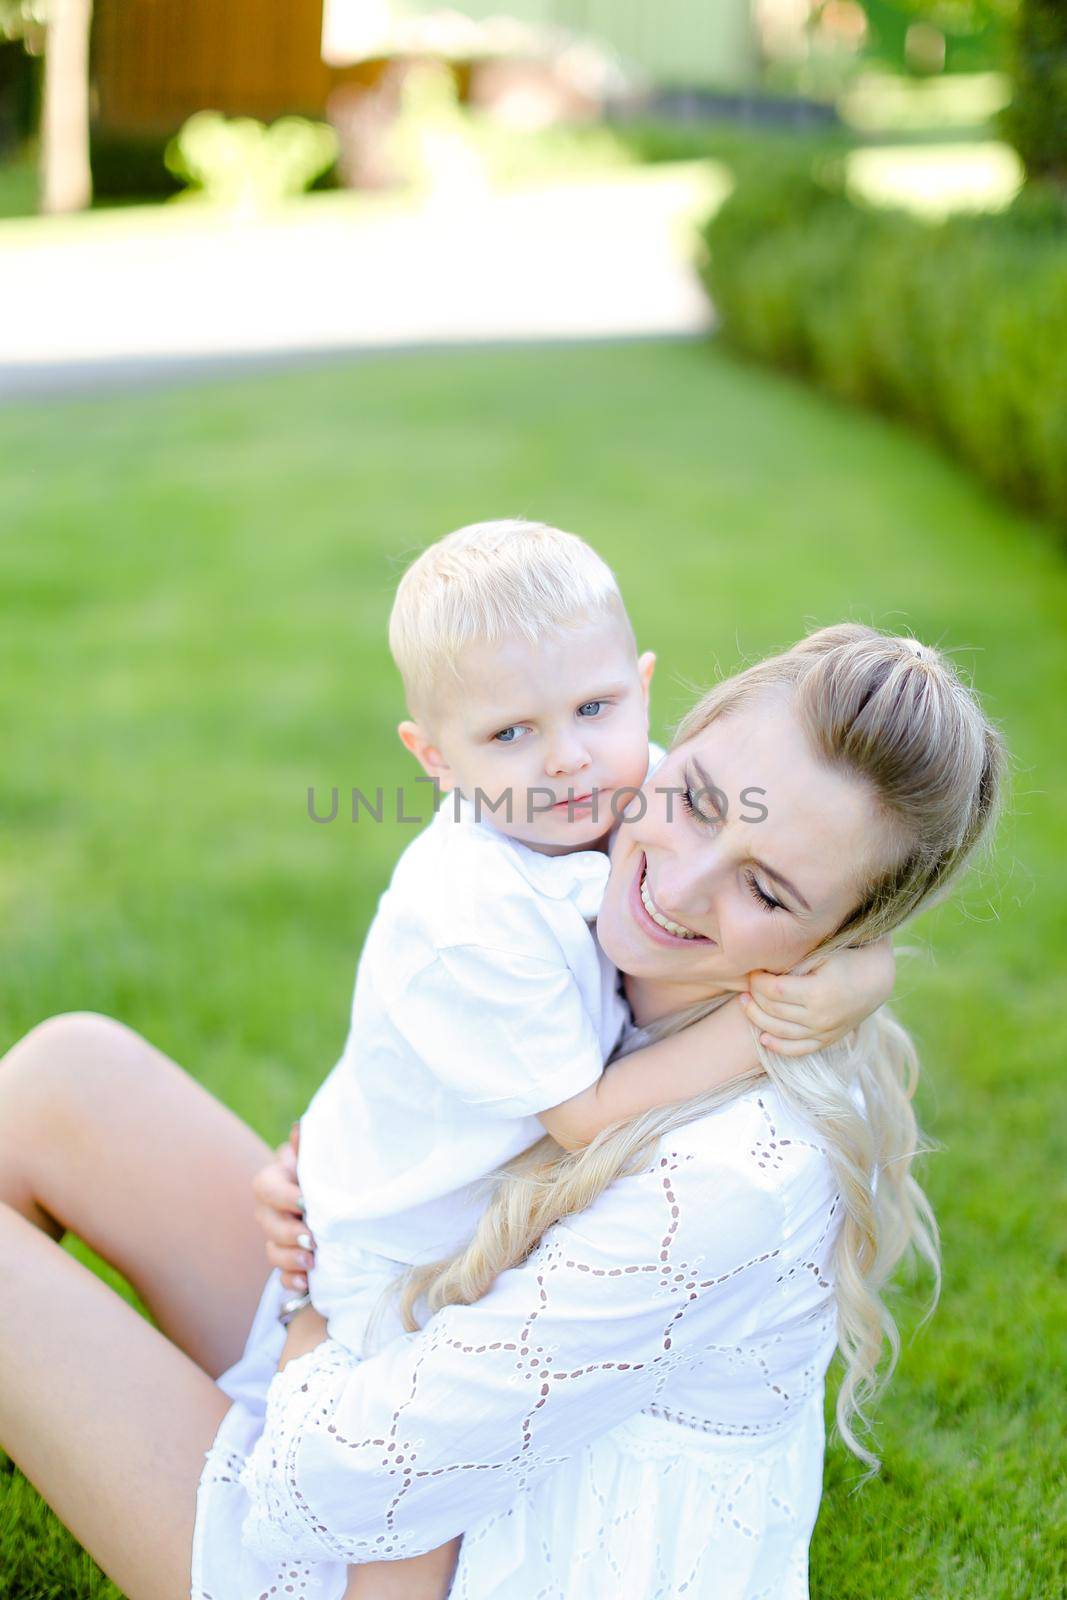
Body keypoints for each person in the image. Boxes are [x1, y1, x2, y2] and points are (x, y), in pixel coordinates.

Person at [0, 624, 1003, 1600]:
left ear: (834, 936)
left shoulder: (734, 1180)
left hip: (415, 1546)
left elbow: (336, 1485)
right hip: (410, 1358)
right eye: (696, 797)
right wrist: (328, 1185)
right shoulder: (599, 837)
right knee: (69, 1074)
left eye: (766, 891)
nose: (678, 884)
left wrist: (316, 1284)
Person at [253, 519, 896, 1596]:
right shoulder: (469, 911)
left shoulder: (634, 786)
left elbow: (807, 855)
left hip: (460, 1207)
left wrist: (864, 968)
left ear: (641, 691)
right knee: (411, 1515)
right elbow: (586, 1118)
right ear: (433, 758)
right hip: (392, 1245)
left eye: (593, 709)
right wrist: (759, 1022)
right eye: (508, 733)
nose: (563, 758)